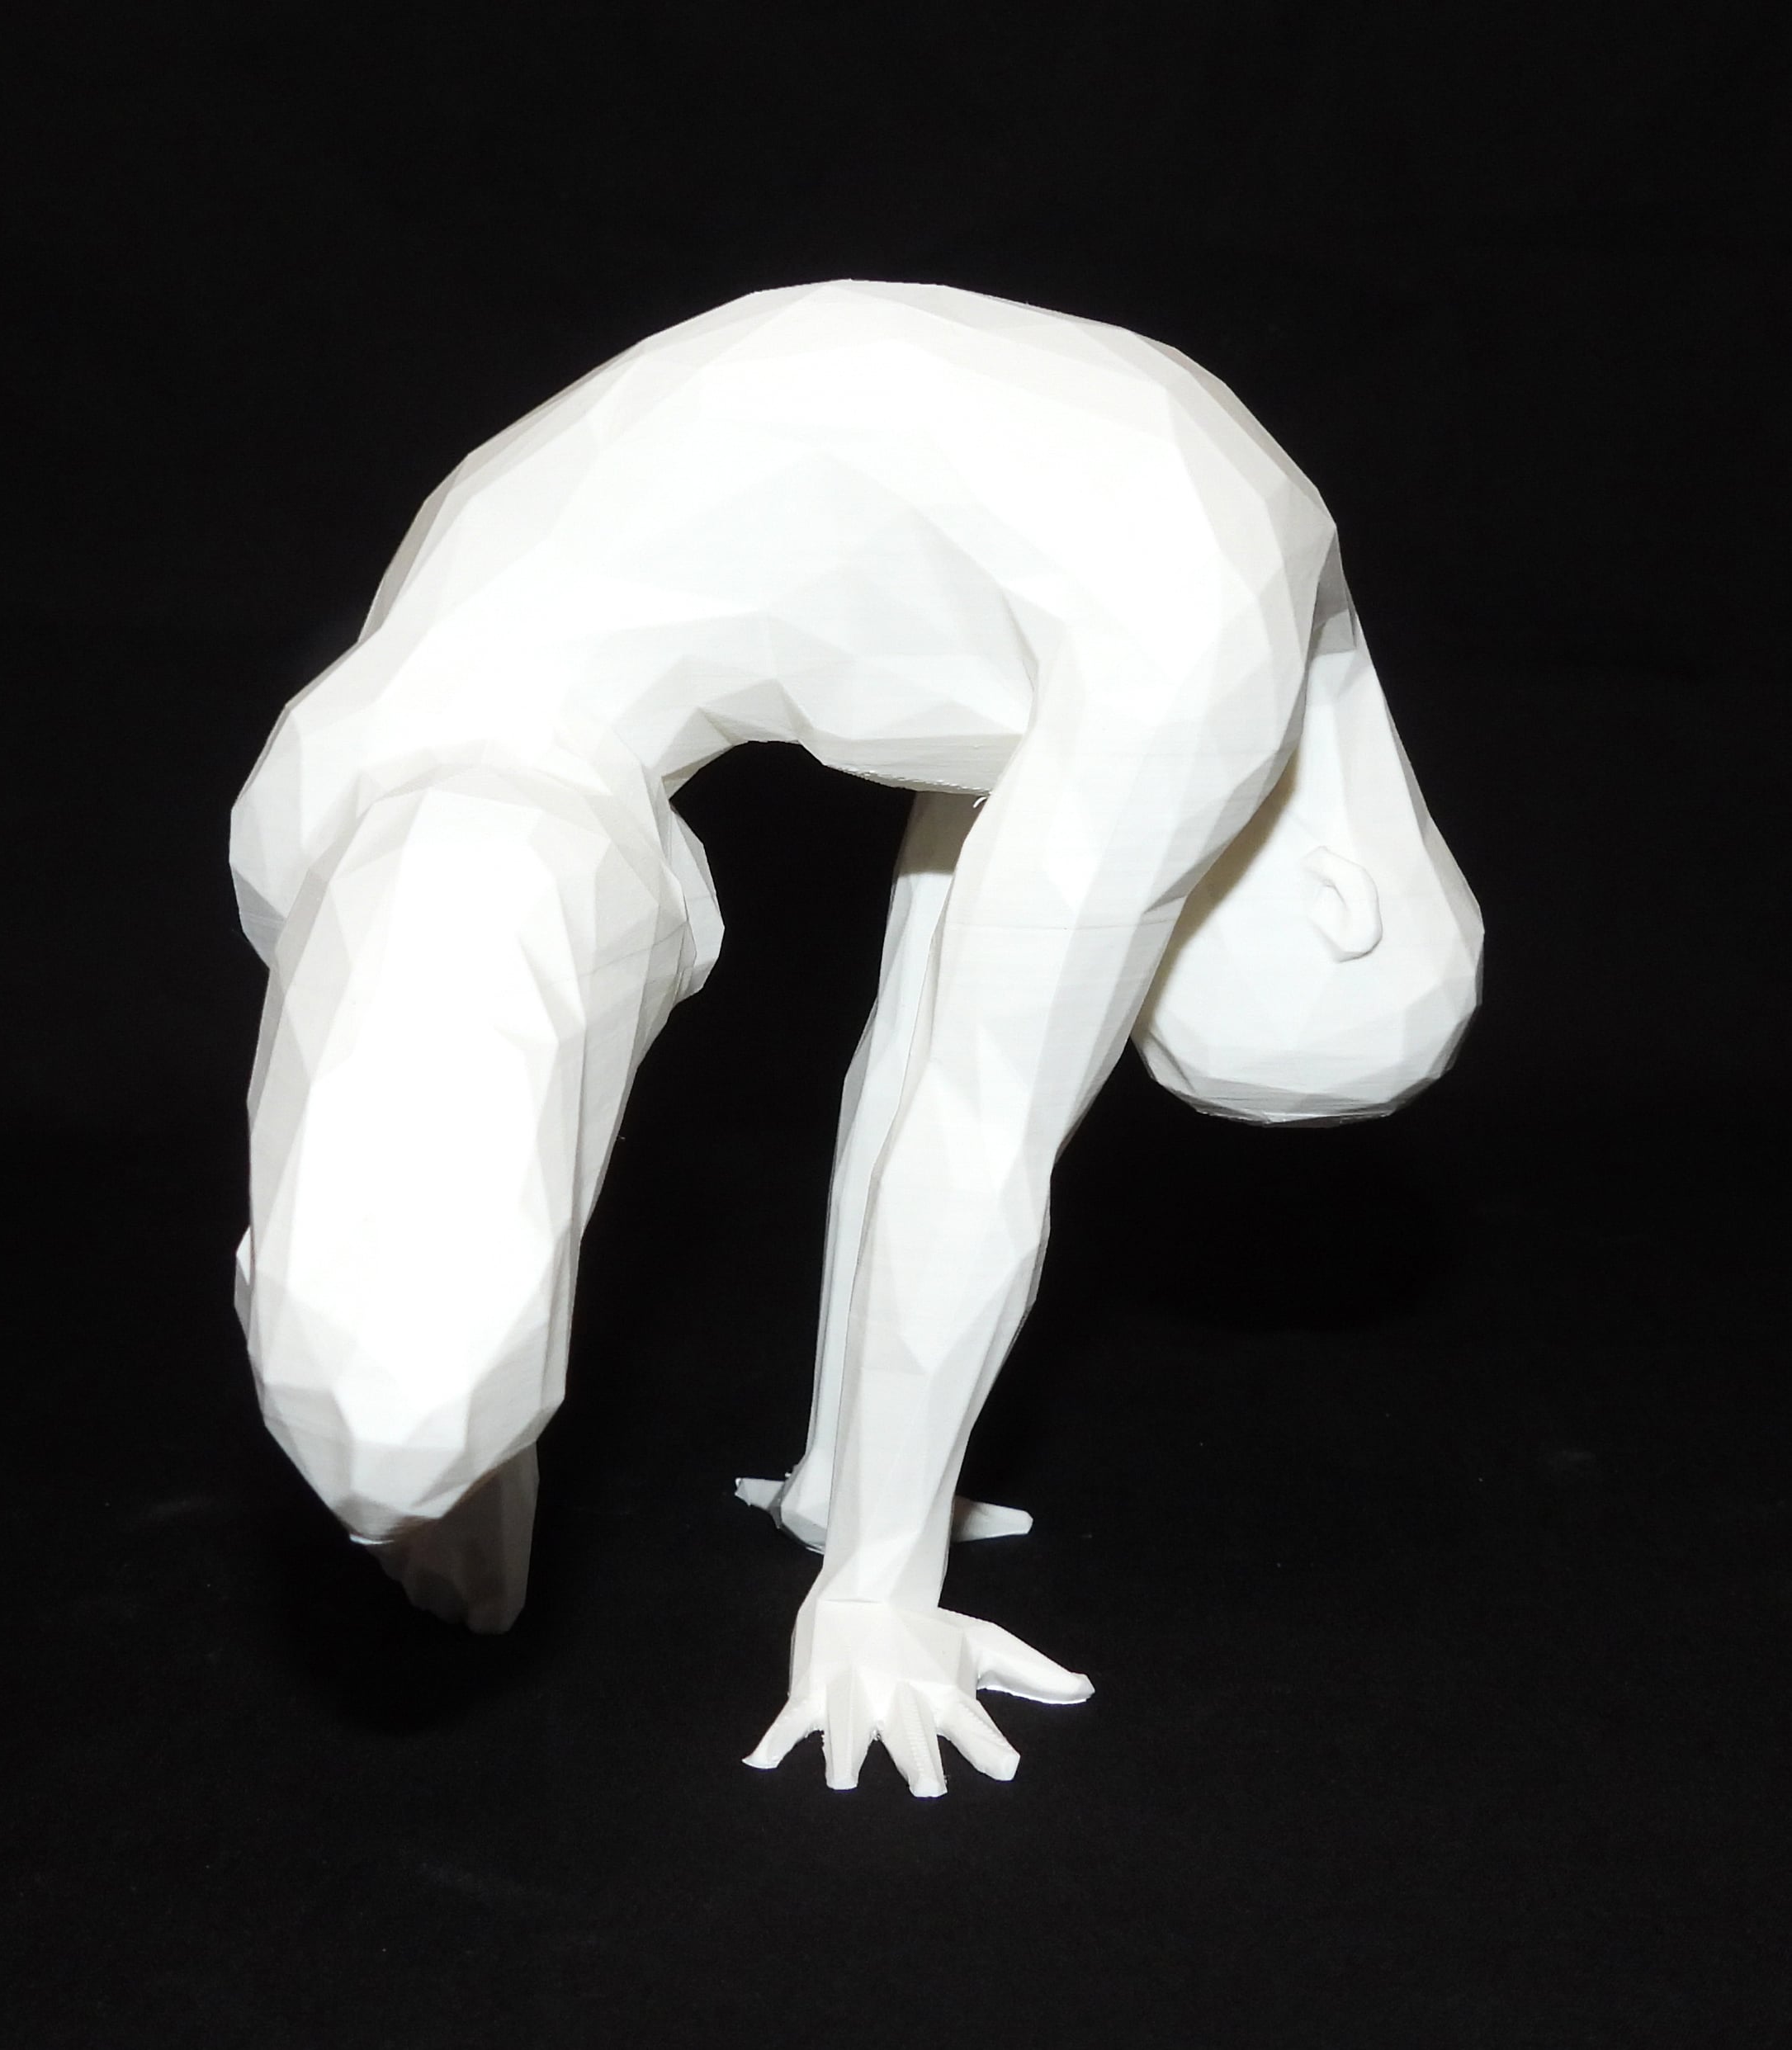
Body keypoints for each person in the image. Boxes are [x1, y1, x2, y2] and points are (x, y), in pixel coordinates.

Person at [229, 280, 1482, 1796]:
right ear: (1339, 903)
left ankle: (442, 1452)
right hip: (501, 753)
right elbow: (979, 1124)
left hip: (420, 698)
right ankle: (441, 1456)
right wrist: (878, 1595)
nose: (1134, 971)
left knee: (414, 1196)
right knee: (418, 1331)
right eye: (1178, 970)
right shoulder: (1195, 658)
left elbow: (921, 1033)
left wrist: (866, 1478)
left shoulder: (1169, 537)